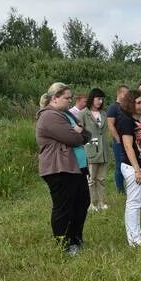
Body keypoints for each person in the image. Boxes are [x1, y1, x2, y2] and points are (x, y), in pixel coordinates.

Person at [36, 83, 91, 255]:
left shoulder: (66, 114)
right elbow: (73, 138)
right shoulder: (49, 117)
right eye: (66, 98)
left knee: (81, 203)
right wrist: (78, 133)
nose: (69, 101)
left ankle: (76, 239)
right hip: (59, 168)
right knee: (63, 207)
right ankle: (64, 244)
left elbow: (86, 134)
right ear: (54, 98)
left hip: (76, 167)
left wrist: (79, 132)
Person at [116, 89, 141, 246]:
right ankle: (135, 240)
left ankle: (136, 237)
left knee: (138, 203)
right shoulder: (126, 120)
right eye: (138, 103)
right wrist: (136, 169)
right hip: (132, 166)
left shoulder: (139, 119)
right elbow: (128, 147)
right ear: (130, 103)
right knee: (134, 203)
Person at [81, 87, 112, 211]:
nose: (100, 101)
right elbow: (80, 131)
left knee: (102, 179)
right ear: (92, 99)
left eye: (102, 99)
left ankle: (101, 202)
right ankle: (90, 204)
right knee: (91, 179)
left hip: (103, 150)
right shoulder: (84, 113)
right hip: (91, 150)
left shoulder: (104, 114)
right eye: (98, 99)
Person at [106, 84, 129, 195]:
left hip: (129, 141)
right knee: (120, 166)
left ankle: (130, 187)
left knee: (129, 165)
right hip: (119, 142)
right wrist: (118, 140)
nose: (128, 96)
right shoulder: (113, 107)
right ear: (120, 93)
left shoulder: (127, 107)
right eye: (126, 93)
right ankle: (121, 190)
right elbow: (110, 125)